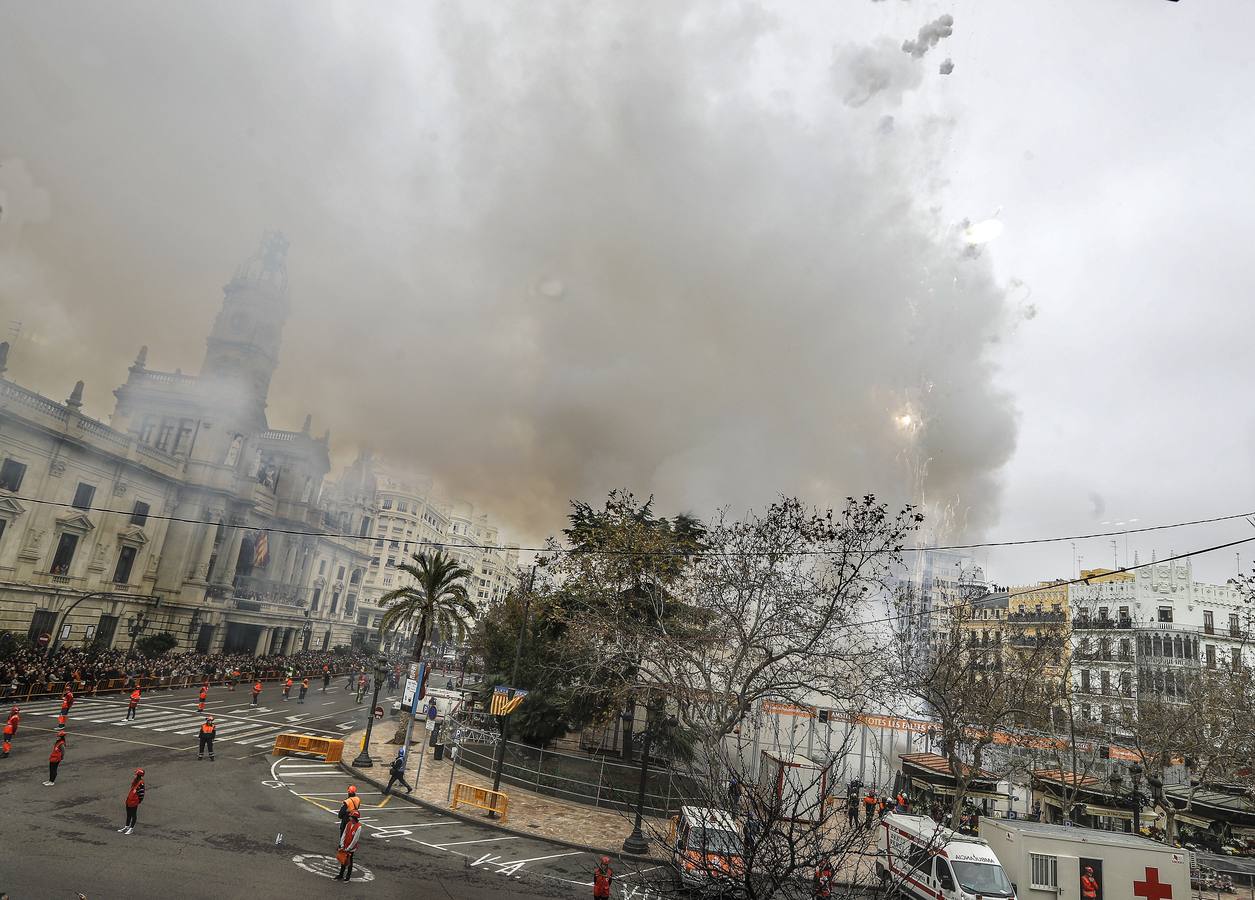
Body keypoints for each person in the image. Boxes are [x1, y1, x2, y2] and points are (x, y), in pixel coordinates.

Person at [335, 810, 362, 882]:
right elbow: (344, 833)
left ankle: (348, 876)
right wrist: (342, 844)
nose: (349, 818)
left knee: (349, 862)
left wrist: (349, 848)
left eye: (351, 817)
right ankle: (341, 874)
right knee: (343, 860)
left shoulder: (358, 827)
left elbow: (355, 839)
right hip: (345, 846)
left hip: (351, 848)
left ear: (354, 818)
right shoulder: (348, 824)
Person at [120, 768, 145, 835]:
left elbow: (142, 793)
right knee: (128, 814)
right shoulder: (135, 781)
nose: (134, 775)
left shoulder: (141, 783)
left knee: (133, 815)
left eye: (136, 774)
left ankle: (131, 828)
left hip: (134, 801)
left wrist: (138, 801)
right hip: (129, 800)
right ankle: (127, 826)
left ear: (138, 775)